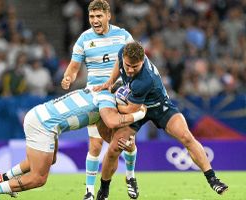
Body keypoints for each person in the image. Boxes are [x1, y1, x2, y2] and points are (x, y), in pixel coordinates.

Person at [93, 41, 229, 200]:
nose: (129, 70)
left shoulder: (145, 79)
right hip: (137, 102)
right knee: (114, 148)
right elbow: (119, 63)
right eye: (128, 65)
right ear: (124, 56)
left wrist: (116, 99)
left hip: (159, 106)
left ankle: (213, 179)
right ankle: (104, 189)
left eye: (135, 67)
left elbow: (130, 109)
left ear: (143, 61)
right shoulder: (123, 52)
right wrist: (111, 80)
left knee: (186, 136)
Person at [0, 85, 146, 200]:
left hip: (41, 116)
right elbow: (111, 122)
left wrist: (123, 144)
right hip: (43, 125)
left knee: (46, 161)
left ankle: (4, 178)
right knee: (39, 178)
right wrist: (139, 114)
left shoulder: (99, 94)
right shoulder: (107, 101)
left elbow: (107, 135)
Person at [61, 1, 138, 199]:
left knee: (128, 143)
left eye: (99, 16)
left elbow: (136, 61)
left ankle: (130, 177)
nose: (95, 20)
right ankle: (88, 191)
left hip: (120, 95)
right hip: (95, 96)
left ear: (108, 16)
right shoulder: (84, 39)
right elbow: (73, 66)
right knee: (95, 145)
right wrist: (68, 77)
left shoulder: (123, 36)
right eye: (92, 17)